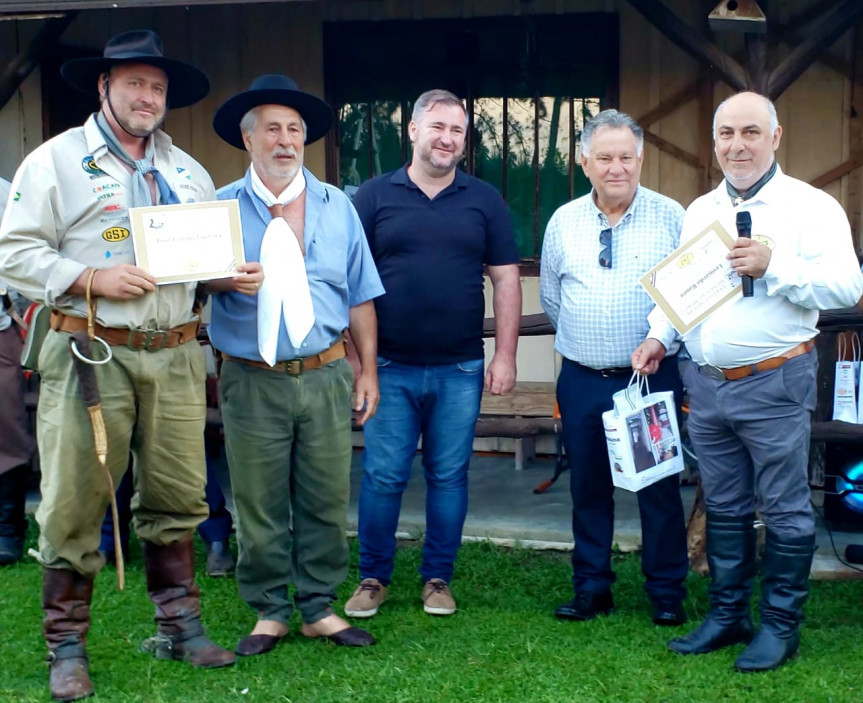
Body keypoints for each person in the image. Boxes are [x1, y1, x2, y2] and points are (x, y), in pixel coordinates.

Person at [0, 30, 236, 701]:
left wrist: (229, 275)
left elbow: (199, 260)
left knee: (178, 495)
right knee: (74, 500)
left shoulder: (188, 171)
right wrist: (89, 277)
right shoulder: (55, 163)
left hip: (175, 355)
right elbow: (12, 252)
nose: (148, 97)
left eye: (157, 87)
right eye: (134, 82)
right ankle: (66, 646)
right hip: (89, 354)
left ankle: (180, 627)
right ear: (103, 87)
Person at [632, 92, 863, 672]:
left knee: (785, 508)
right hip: (705, 383)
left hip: (775, 380)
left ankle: (781, 627)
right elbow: (684, 293)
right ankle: (728, 615)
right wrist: (660, 335)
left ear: (776, 137)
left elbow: (845, 288)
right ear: (714, 142)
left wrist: (773, 267)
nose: (738, 145)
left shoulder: (813, 208)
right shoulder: (700, 208)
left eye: (751, 133)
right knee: (727, 504)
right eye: (727, 133)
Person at [208, 74, 383, 655]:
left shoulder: (339, 207)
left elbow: (359, 294)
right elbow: (183, 283)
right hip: (252, 379)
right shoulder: (218, 211)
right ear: (248, 138)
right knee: (257, 499)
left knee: (325, 496)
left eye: (295, 130)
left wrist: (368, 371)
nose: (285, 141)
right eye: (273, 130)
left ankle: (317, 606)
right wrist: (218, 277)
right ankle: (269, 608)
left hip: (327, 373)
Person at [344, 89, 521, 619]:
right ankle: (373, 576)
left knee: (449, 475)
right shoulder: (373, 197)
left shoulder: (484, 199)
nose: (448, 139)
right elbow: (350, 285)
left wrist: (505, 355)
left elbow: (506, 279)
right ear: (414, 130)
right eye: (438, 127)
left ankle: (438, 578)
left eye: (458, 131)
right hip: (389, 369)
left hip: (460, 366)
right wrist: (359, 365)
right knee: (383, 475)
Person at [539, 109, 689, 627]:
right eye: (604, 157)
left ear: (641, 159)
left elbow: (683, 299)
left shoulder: (672, 216)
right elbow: (553, 297)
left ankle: (666, 592)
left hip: (647, 380)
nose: (616, 167)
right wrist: (588, 344)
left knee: (657, 489)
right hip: (581, 379)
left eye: (626, 157)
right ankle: (592, 587)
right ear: (584, 162)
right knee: (588, 487)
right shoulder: (563, 221)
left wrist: (653, 340)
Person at [0, 176, 36, 567]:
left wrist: (23, 318)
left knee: (4, 431)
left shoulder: (3, 192)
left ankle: (7, 528)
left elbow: (20, 257)